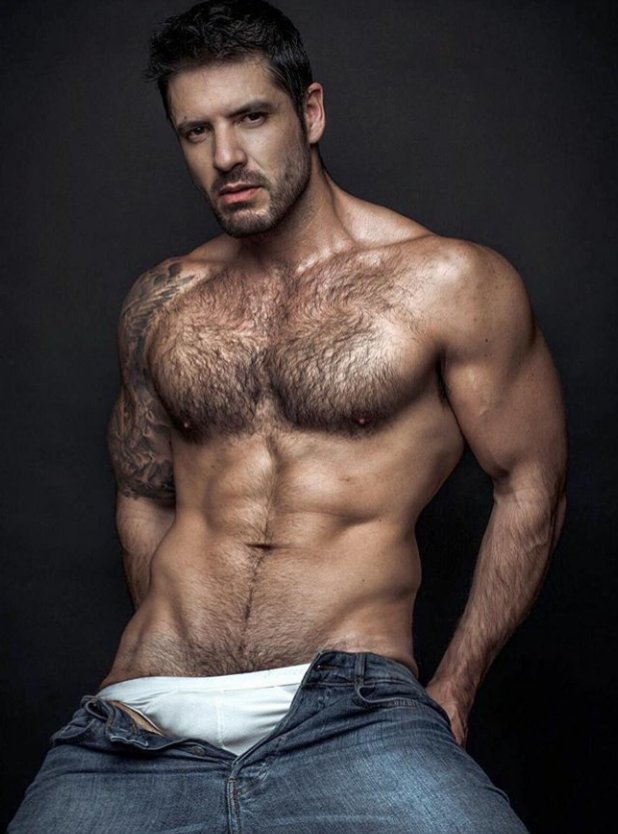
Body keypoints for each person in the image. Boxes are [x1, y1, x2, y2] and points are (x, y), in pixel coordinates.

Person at [8, 1, 567, 832]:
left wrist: (455, 683)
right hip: (138, 720)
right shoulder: (164, 300)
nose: (225, 157)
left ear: (309, 112)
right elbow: (142, 492)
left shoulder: (450, 283)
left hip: (353, 713)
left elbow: (530, 484)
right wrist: (179, 639)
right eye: (195, 132)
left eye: (250, 117)